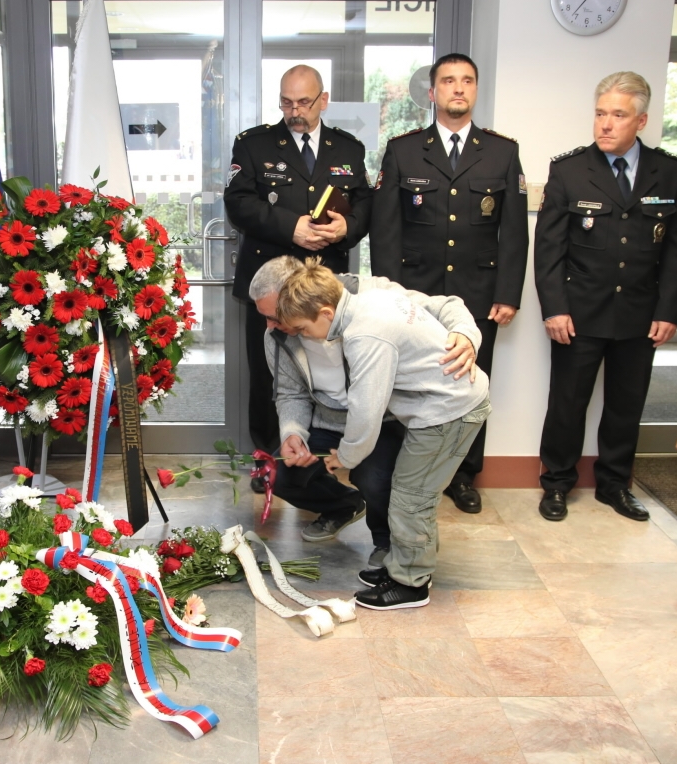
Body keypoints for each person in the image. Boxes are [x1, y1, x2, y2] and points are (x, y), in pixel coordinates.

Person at [276, 258, 490, 609]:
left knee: (411, 498)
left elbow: (366, 409)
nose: (301, 336)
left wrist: (345, 457)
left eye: (301, 328)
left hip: (449, 413)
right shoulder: (370, 304)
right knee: (410, 493)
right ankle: (402, 565)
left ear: (326, 312)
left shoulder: (365, 335)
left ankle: (410, 583)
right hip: (440, 410)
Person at [370, 53, 528, 515]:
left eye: (467, 81)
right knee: (408, 385)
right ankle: (405, 471)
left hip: (479, 297)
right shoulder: (403, 150)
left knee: (473, 385)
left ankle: (464, 475)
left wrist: (507, 293)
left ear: (476, 90)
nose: (458, 89)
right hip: (415, 297)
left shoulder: (501, 151)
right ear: (432, 92)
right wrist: (387, 294)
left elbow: (514, 230)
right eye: (448, 81)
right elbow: (386, 229)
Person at [534, 71, 677, 522]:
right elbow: (548, 250)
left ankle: (614, 485)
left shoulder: (670, 172)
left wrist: (669, 309)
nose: (605, 124)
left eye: (617, 115)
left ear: (640, 120)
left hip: (640, 313)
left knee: (626, 404)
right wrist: (555, 308)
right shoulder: (570, 170)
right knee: (567, 403)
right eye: (600, 113)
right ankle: (557, 484)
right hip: (579, 313)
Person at [225, 64, 374, 458]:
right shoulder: (254, 144)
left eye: (304, 102)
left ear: (323, 101)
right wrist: (291, 227)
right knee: (269, 376)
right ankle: (269, 457)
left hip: (326, 286)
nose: (294, 111)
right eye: (286, 102)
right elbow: (238, 204)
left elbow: (364, 207)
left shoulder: (348, 149)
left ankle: (327, 452)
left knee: (332, 372)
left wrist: (347, 227)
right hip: (271, 286)